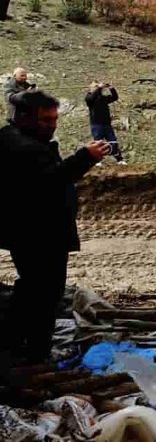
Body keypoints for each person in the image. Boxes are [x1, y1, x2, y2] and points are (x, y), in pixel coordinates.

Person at [0, 90, 109, 363]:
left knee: (33, 287)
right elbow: (49, 181)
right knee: (45, 293)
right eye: (45, 120)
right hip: (38, 233)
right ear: (24, 118)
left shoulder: (17, 139)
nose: (52, 126)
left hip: (33, 231)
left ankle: (17, 342)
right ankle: (34, 351)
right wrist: (85, 157)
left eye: (54, 119)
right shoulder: (22, 147)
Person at [84, 82, 126, 165]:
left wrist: (111, 88)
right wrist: (99, 88)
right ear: (91, 88)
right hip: (96, 125)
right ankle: (97, 161)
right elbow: (92, 97)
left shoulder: (103, 98)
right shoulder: (89, 98)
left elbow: (115, 97)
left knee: (113, 142)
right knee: (98, 144)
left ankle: (120, 160)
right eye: (95, 86)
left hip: (107, 124)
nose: (98, 87)